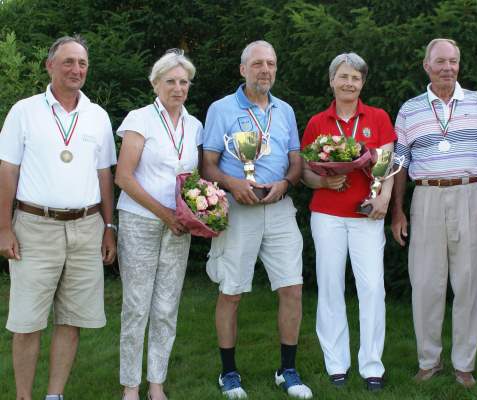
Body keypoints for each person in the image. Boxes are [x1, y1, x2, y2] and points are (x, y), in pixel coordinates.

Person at [0, 35, 117, 400]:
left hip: (86, 228)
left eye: (81, 63)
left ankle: (55, 395)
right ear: (50, 66)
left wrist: (108, 228)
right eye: (68, 62)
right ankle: (23, 397)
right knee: (27, 322)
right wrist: (4, 227)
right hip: (35, 228)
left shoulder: (97, 116)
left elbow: (105, 177)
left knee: (72, 319)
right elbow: (7, 171)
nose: (76, 69)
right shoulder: (25, 110)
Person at [201, 40, 312, 399]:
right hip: (239, 210)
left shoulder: (285, 110)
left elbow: (296, 159)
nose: (266, 70)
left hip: (279, 208)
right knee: (231, 292)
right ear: (242, 69)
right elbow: (208, 164)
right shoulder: (221, 109)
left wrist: (286, 182)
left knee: (292, 289)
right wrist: (233, 184)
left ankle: (288, 370)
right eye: (258, 64)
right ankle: (228, 373)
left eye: (271, 64)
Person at [391, 38, 477, 388]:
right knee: (425, 283)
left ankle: (464, 364)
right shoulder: (410, 109)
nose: (447, 67)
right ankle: (429, 361)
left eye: (453, 61)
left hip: (472, 194)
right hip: (426, 197)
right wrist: (397, 211)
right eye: (440, 61)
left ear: (459, 64)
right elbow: (399, 162)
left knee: (468, 284)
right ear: (426, 65)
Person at [300, 53, 396, 391]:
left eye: (355, 78)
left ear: (362, 83)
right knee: (330, 287)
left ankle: (372, 365)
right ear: (332, 80)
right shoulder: (317, 122)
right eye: (343, 76)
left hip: (366, 213)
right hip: (327, 213)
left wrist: (382, 199)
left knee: (371, 288)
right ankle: (336, 362)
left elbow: (386, 165)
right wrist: (324, 181)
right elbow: (307, 172)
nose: (348, 83)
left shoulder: (379, 118)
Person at [114, 49, 203, 400]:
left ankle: (156, 383)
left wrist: (197, 212)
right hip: (140, 221)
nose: (178, 88)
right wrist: (165, 213)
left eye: (184, 82)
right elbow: (123, 176)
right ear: (156, 83)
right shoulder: (140, 119)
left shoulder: (194, 125)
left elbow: (192, 178)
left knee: (167, 306)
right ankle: (130, 386)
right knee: (137, 305)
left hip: (179, 226)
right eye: (171, 81)